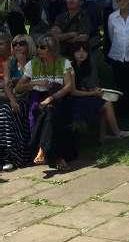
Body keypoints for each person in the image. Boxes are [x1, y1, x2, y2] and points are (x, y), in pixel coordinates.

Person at [22, 35, 75, 170]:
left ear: (51, 49)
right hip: (39, 96)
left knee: (51, 112)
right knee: (48, 113)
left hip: (59, 96)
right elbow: (18, 88)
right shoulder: (32, 64)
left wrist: (51, 98)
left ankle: (42, 149)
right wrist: (35, 82)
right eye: (38, 47)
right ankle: (56, 157)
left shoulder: (63, 62)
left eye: (42, 47)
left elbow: (68, 86)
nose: (38, 50)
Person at [68, 41, 129, 141]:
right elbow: (73, 92)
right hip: (73, 100)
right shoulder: (70, 68)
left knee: (103, 101)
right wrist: (92, 93)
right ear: (73, 53)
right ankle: (117, 132)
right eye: (78, 51)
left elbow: (87, 85)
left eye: (84, 51)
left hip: (84, 96)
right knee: (106, 104)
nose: (81, 54)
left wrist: (94, 90)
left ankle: (103, 136)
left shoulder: (87, 66)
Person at [0, 35, 33, 170]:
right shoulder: (9, 63)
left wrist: (24, 64)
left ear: (29, 45)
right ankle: (7, 156)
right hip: (14, 98)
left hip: (29, 98)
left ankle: (20, 156)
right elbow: (7, 84)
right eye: (15, 44)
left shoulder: (34, 62)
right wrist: (13, 100)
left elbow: (31, 84)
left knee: (11, 110)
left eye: (22, 43)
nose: (18, 46)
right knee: (4, 111)